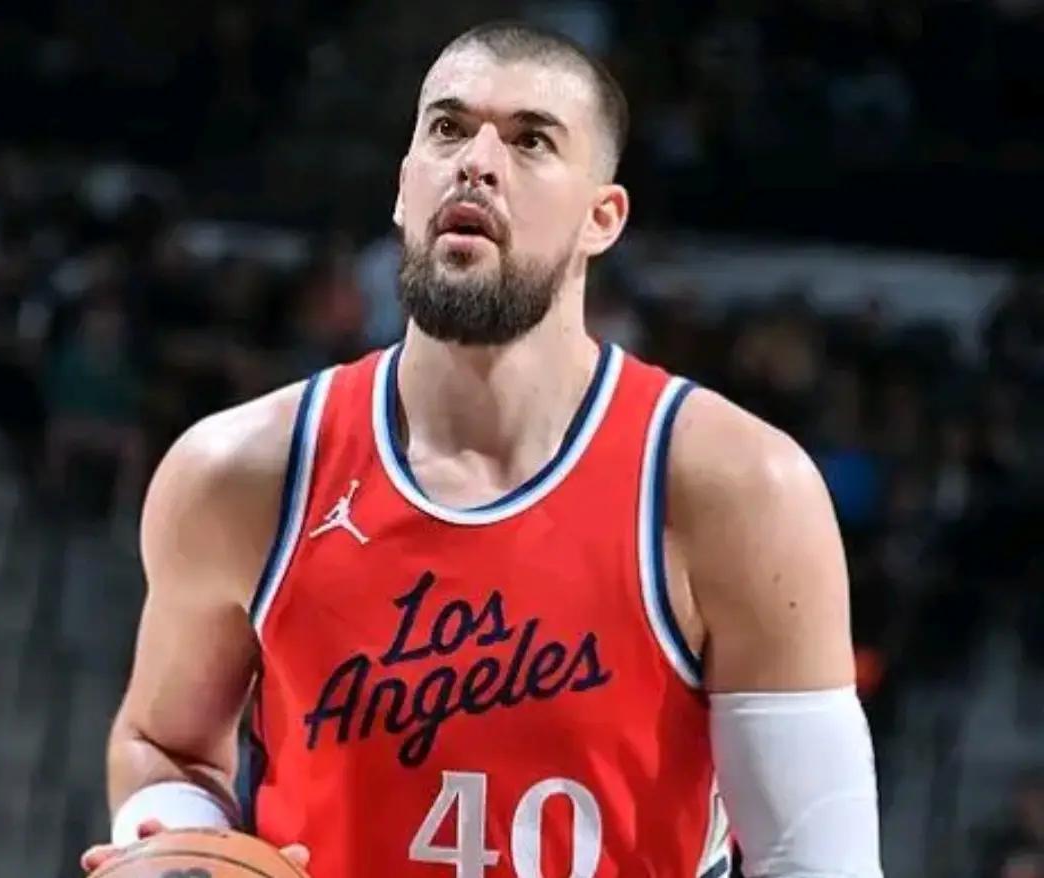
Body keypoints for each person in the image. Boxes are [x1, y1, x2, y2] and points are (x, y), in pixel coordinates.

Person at [82, 20, 882, 878]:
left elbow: (814, 862)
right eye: (448, 128)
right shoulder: (242, 473)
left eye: (531, 140)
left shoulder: (737, 488)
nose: (477, 161)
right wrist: (178, 850)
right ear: (403, 187)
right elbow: (164, 745)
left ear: (602, 218)